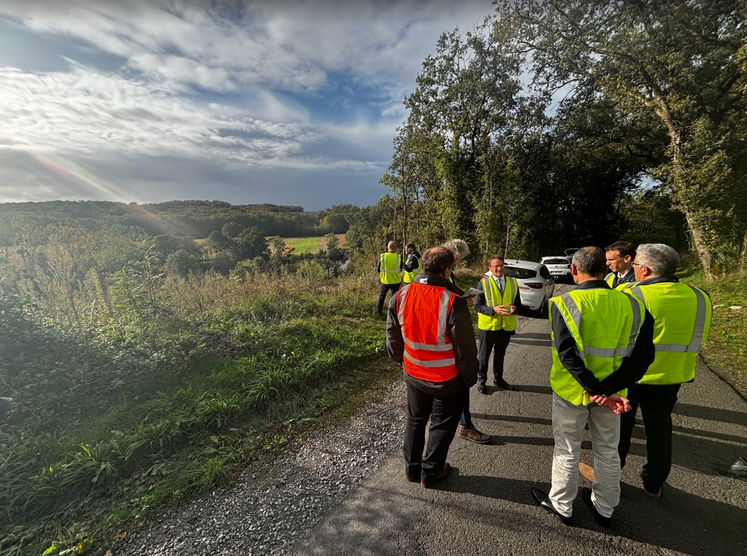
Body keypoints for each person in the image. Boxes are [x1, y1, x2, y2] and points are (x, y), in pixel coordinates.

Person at [532, 246, 655, 528]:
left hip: (572, 393)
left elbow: (567, 356)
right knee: (608, 451)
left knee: (566, 449)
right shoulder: (634, 305)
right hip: (614, 396)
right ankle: (605, 509)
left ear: (574, 270)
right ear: (606, 269)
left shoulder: (563, 303)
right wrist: (609, 390)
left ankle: (562, 506)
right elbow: (643, 357)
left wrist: (595, 389)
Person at [617, 243, 712, 500]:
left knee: (620, 429)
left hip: (632, 375)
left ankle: (611, 478)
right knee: (659, 430)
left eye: (635, 265)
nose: (634, 269)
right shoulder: (700, 296)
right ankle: (654, 483)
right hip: (673, 376)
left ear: (645, 270)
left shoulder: (630, 293)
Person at [386, 246, 478, 487]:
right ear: (447, 271)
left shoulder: (401, 295)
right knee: (441, 425)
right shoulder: (453, 302)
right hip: (447, 380)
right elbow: (466, 350)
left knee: (415, 421)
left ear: (423, 265)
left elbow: (393, 337)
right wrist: (469, 378)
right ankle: (431, 472)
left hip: (414, 374)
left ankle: (411, 469)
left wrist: (401, 362)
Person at [442, 239, 491, 445]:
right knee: (459, 381)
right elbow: (443, 300)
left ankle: (461, 421)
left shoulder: (445, 270)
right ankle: (464, 424)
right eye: (458, 259)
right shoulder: (442, 270)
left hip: (443, 333)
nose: (459, 263)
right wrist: (464, 301)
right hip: (446, 335)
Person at [474, 255, 520, 393]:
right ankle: (481, 380)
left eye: (501, 265)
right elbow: (477, 306)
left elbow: (519, 304)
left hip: (505, 326)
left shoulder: (512, 282)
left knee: (500, 355)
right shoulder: (483, 283)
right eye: (495, 266)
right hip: (488, 326)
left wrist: (515, 308)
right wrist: (492, 310)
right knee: (484, 356)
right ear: (490, 268)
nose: (499, 268)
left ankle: (498, 379)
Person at [376, 241, 401, 316]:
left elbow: (378, 269)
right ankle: (392, 314)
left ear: (388, 247)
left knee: (381, 297)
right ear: (395, 248)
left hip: (385, 280)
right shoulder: (399, 257)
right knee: (393, 299)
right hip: (395, 281)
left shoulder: (382, 256)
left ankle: (379, 312)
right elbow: (400, 269)